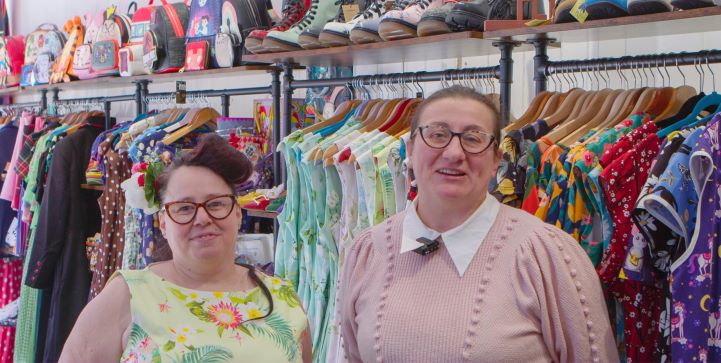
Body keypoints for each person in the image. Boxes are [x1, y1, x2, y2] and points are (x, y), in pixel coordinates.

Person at [339, 86, 619, 363]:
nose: (453, 152)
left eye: (473, 139)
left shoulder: (548, 256)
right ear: (410, 149)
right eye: (437, 135)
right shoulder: (368, 252)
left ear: (497, 158)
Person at [60, 134, 312, 363]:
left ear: (237, 213)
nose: (202, 218)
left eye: (215, 204)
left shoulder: (282, 298)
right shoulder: (129, 296)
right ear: (163, 223)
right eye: (184, 208)